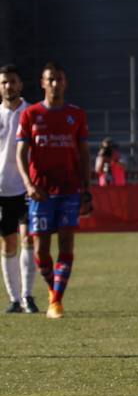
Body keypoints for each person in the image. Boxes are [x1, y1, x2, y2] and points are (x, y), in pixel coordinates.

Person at [15, 62, 92, 319]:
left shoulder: (76, 114)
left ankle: (57, 301)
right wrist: (28, 184)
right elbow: (21, 153)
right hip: (41, 191)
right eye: (51, 79)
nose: (55, 84)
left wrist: (86, 188)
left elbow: (83, 153)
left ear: (65, 82)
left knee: (66, 241)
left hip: (69, 188)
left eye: (59, 79)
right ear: (42, 82)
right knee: (40, 249)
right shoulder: (31, 114)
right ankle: (52, 289)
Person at [0, 65, 39, 314]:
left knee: (29, 240)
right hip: (2, 189)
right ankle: (14, 299)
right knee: (8, 243)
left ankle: (28, 296)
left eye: (12, 81)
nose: (8, 86)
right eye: (4, 82)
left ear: (20, 84)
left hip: (27, 187)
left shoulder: (32, 113)